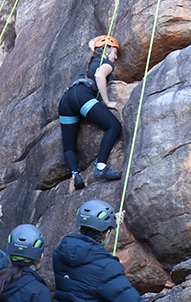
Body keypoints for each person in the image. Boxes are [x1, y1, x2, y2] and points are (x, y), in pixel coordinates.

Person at [59, 35, 123, 190]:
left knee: (69, 147)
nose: (116, 57)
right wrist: (107, 102)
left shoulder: (90, 64)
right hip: (82, 97)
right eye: (115, 52)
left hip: (66, 101)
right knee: (114, 126)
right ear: (106, 50)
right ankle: (101, 167)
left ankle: (76, 175)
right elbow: (100, 76)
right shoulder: (106, 62)